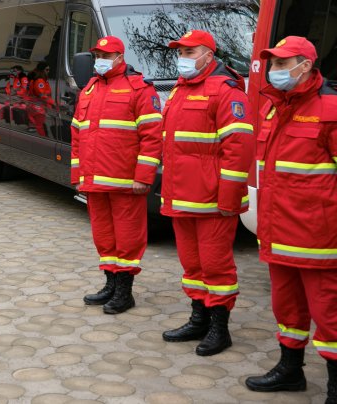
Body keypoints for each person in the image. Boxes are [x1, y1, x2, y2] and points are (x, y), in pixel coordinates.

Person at [243, 37, 337, 400]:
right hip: (279, 234)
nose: (276, 70)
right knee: (287, 309)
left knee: (330, 316)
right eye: (273, 63)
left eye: (284, 63)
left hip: (320, 240)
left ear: (307, 66)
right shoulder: (274, 108)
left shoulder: (330, 109)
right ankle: (290, 370)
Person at [159, 30, 255, 356]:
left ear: (208, 56)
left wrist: (228, 197)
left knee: (216, 267)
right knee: (192, 264)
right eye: (180, 52)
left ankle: (220, 328)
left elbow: (239, 147)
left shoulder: (226, 92)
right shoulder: (178, 90)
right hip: (182, 197)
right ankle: (198, 318)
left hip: (213, 200)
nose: (182, 58)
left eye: (189, 52)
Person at [72, 36, 163, 314]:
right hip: (94, 180)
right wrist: (78, 174)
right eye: (98, 54)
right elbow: (77, 135)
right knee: (104, 236)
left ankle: (125, 291)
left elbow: (152, 137)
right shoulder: (89, 89)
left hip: (126, 182)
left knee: (128, 237)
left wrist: (143, 176)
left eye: (106, 55)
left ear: (120, 58)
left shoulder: (139, 89)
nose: (100, 59)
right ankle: (110, 284)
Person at [27, 62, 54, 136]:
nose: (48, 71)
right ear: (42, 70)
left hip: (37, 106)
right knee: (40, 127)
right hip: (39, 107)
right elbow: (42, 95)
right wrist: (54, 103)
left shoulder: (40, 80)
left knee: (39, 126)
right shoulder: (40, 81)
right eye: (47, 70)